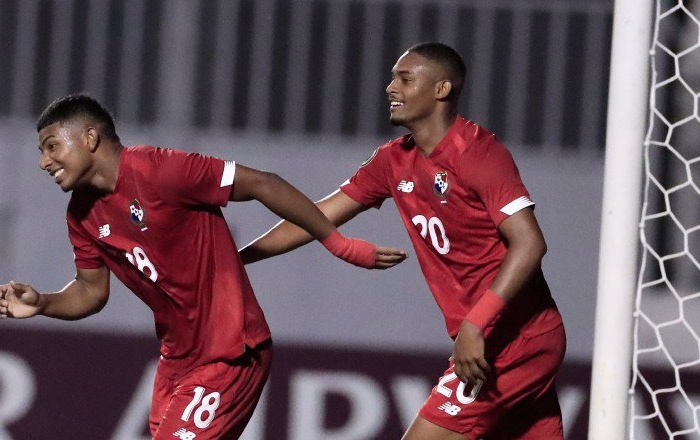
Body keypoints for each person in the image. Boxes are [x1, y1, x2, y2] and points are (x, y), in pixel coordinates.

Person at [0, 94, 406, 440]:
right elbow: (91, 291)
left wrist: (338, 243)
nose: (44, 162)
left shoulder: (161, 170)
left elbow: (264, 183)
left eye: (51, 146)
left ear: (89, 137)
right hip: (177, 361)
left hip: (231, 351)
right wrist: (43, 302)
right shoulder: (80, 214)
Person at [239, 42, 566, 439]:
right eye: (393, 77)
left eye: (405, 78)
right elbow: (317, 216)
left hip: (514, 340)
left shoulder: (480, 154)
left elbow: (530, 244)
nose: (390, 87)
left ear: (441, 90)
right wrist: (238, 258)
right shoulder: (393, 161)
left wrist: (475, 325)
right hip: (495, 340)